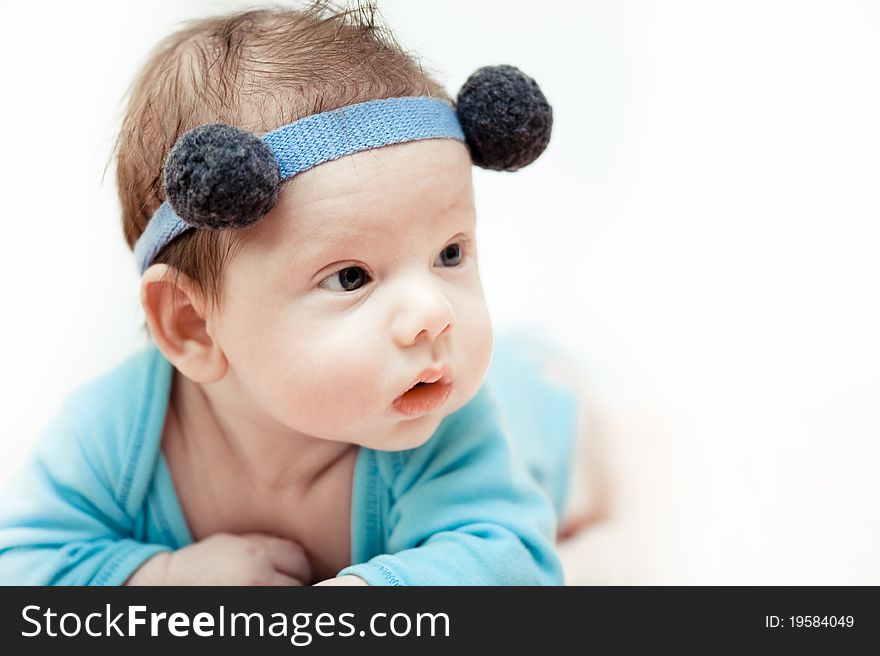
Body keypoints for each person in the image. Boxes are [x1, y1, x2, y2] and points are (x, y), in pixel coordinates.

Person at [0, 2, 585, 585]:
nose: (435, 312)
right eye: (351, 277)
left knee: (572, 458)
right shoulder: (117, 431)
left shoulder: (444, 415)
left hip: (534, 418)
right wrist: (162, 578)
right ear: (192, 325)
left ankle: (556, 388)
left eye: (449, 254)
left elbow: (515, 563)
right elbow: (22, 564)